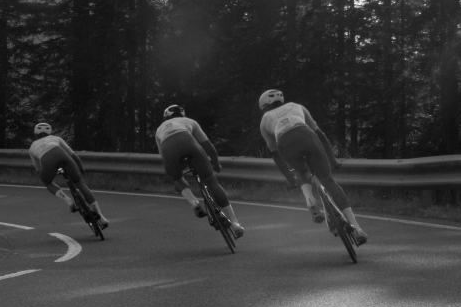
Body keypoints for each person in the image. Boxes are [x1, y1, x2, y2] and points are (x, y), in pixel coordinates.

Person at [258, 89, 368, 244]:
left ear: (264, 107)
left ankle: (309, 199)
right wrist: (333, 160)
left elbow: (275, 154)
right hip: (306, 135)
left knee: (302, 171)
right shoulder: (296, 106)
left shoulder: (264, 120)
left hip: (285, 143)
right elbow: (321, 136)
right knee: (329, 182)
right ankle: (356, 228)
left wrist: (290, 180)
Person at [154, 105, 244, 237]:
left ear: (165, 117)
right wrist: (216, 164)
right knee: (211, 181)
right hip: (189, 143)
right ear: (183, 114)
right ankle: (235, 223)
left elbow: (163, 157)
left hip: (169, 149)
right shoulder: (189, 121)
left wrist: (177, 167)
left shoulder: (159, 130)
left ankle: (193, 202)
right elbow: (209, 147)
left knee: (176, 178)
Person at [28, 123, 109, 227]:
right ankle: (101, 217)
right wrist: (81, 168)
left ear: (35, 134)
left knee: (47, 182)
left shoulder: (32, 147)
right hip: (62, 155)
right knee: (79, 182)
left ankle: (68, 200)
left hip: (47, 160)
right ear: (50, 132)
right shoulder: (56, 138)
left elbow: (38, 169)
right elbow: (74, 156)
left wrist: (46, 176)